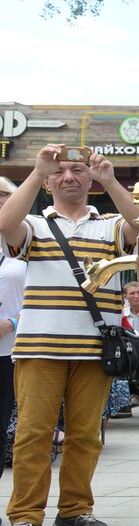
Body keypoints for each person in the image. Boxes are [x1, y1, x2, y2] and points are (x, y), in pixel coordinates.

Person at [0, 145, 139, 526]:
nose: (69, 177)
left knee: (85, 435)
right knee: (32, 435)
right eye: (59, 172)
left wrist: (112, 179)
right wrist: (34, 171)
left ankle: (75, 509)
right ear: (48, 182)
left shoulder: (110, 225)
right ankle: (25, 516)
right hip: (39, 346)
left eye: (78, 170)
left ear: (89, 180)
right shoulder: (34, 224)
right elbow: (5, 224)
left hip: (94, 349)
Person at [0, 178, 23, 480]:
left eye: (3, 194)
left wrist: (13, 322)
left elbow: (41, 294)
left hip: (11, 351)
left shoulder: (28, 239)